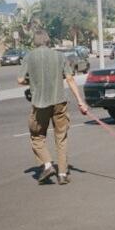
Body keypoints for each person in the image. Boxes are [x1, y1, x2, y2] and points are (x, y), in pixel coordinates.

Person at [17, 31, 88, 185]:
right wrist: (80, 102)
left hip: (39, 103)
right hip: (59, 102)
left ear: (34, 42)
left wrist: (32, 82)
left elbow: (20, 79)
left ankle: (48, 165)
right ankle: (62, 174)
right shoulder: (60, 56)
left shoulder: (29, 57)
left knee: (36, 136)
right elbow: (69, 79)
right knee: (61, 137)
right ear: (48, 41)